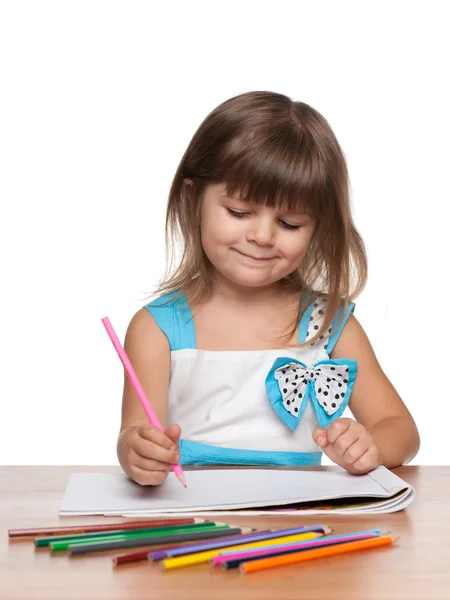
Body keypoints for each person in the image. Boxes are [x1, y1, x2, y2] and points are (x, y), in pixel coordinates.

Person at [117, 91, 420, 486]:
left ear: (318, 226)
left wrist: (371, 445)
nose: (261, 236)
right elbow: (134, 435)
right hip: (195, 528)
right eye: (240, 212)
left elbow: (401, 430)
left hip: (299, 530)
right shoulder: (154, 329)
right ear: (193, 200)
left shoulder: (328, 324)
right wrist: (135, 451)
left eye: (290, 223)